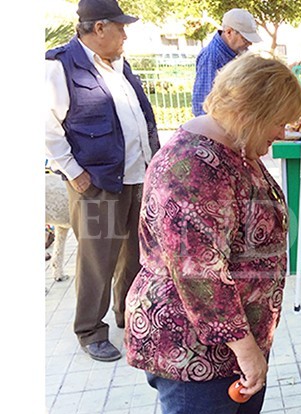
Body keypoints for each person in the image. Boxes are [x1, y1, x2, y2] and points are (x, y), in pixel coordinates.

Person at [124, 53, 301, 414]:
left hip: (232, 346)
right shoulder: (192, 167)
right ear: (253, 111)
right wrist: (247, 351)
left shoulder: (235, 147)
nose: (284, 132)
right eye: (279, 121)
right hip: (197, 350)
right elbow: (199, 272)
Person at [46, 0, 160, 362]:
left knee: (135, 256)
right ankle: (90, 330)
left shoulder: (121, 66)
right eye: (120, 27)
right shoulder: (60, 67)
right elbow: (46, 127)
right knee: (97, 260)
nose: (125, 34)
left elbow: (141, 119)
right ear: (99, 28)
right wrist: (75, 174)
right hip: (96, 182)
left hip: (135, 177)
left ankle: (130, 316)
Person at [192, 8, 262, 116]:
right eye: (245, 39)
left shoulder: (239, 53)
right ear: (229, 32)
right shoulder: (211, 56)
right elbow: (202, 106)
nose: (250, 44)